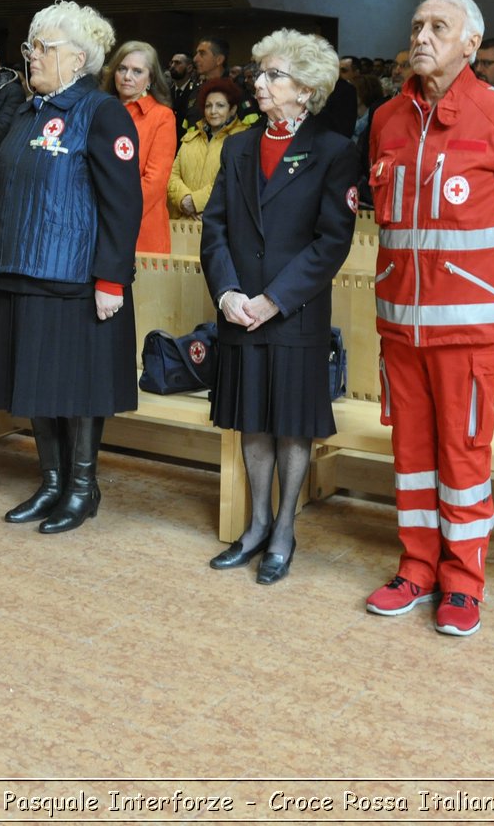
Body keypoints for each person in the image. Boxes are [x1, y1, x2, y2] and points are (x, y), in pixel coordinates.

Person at [363, 0, 494, 637]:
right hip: (400, 327)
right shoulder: (386, 117)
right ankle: (416, 567)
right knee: (411, 453)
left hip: (467, 327)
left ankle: (463, 580)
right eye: (416, 24)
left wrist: (476, 289)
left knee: (464, 458)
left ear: (471, 43)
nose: (422, 35)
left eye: (439, 26)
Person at [202, 30, 359, 584]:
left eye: (273, 75)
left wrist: (275, 299)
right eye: (259, 73)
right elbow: (214, 226)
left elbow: (332, 241)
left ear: (306, 88)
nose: (259, 83)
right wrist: (227, 294)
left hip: (293, 311)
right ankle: (255, 525)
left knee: (291, 424)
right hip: (240, 306)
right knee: (251, 420)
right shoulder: (239, 145)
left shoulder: (334, 149)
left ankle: (284, 530)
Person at [0, 0, 142, 533]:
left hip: (74, 278)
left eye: (43, 48)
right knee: (35, 384)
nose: (32, 56)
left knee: (76, 389)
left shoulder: (102, 113)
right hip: (24, 270)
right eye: (31, 47)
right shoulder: (27, 111)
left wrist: (112, 279)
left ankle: (81, 487)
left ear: (78, 59)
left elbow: (123, 204)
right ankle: (50, 482)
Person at [102, 40, 176, 253]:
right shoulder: (98, 110)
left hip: (140, 229)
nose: (127, 77)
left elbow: (155, 180)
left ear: (150, 78)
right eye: (122, 69)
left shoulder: (162, 116)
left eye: (137, 71)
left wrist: (116, 213)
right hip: (96, 225)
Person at [166, 77, 244, 219]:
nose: (213, 111)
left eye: (220, 105)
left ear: (232, 109)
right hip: (183, 225)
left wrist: (196, 202)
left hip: (219, 225)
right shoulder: (191, 138)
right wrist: (183, 199)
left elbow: (235, 182)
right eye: (208, 106)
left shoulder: (243, 139)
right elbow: (172, 175)